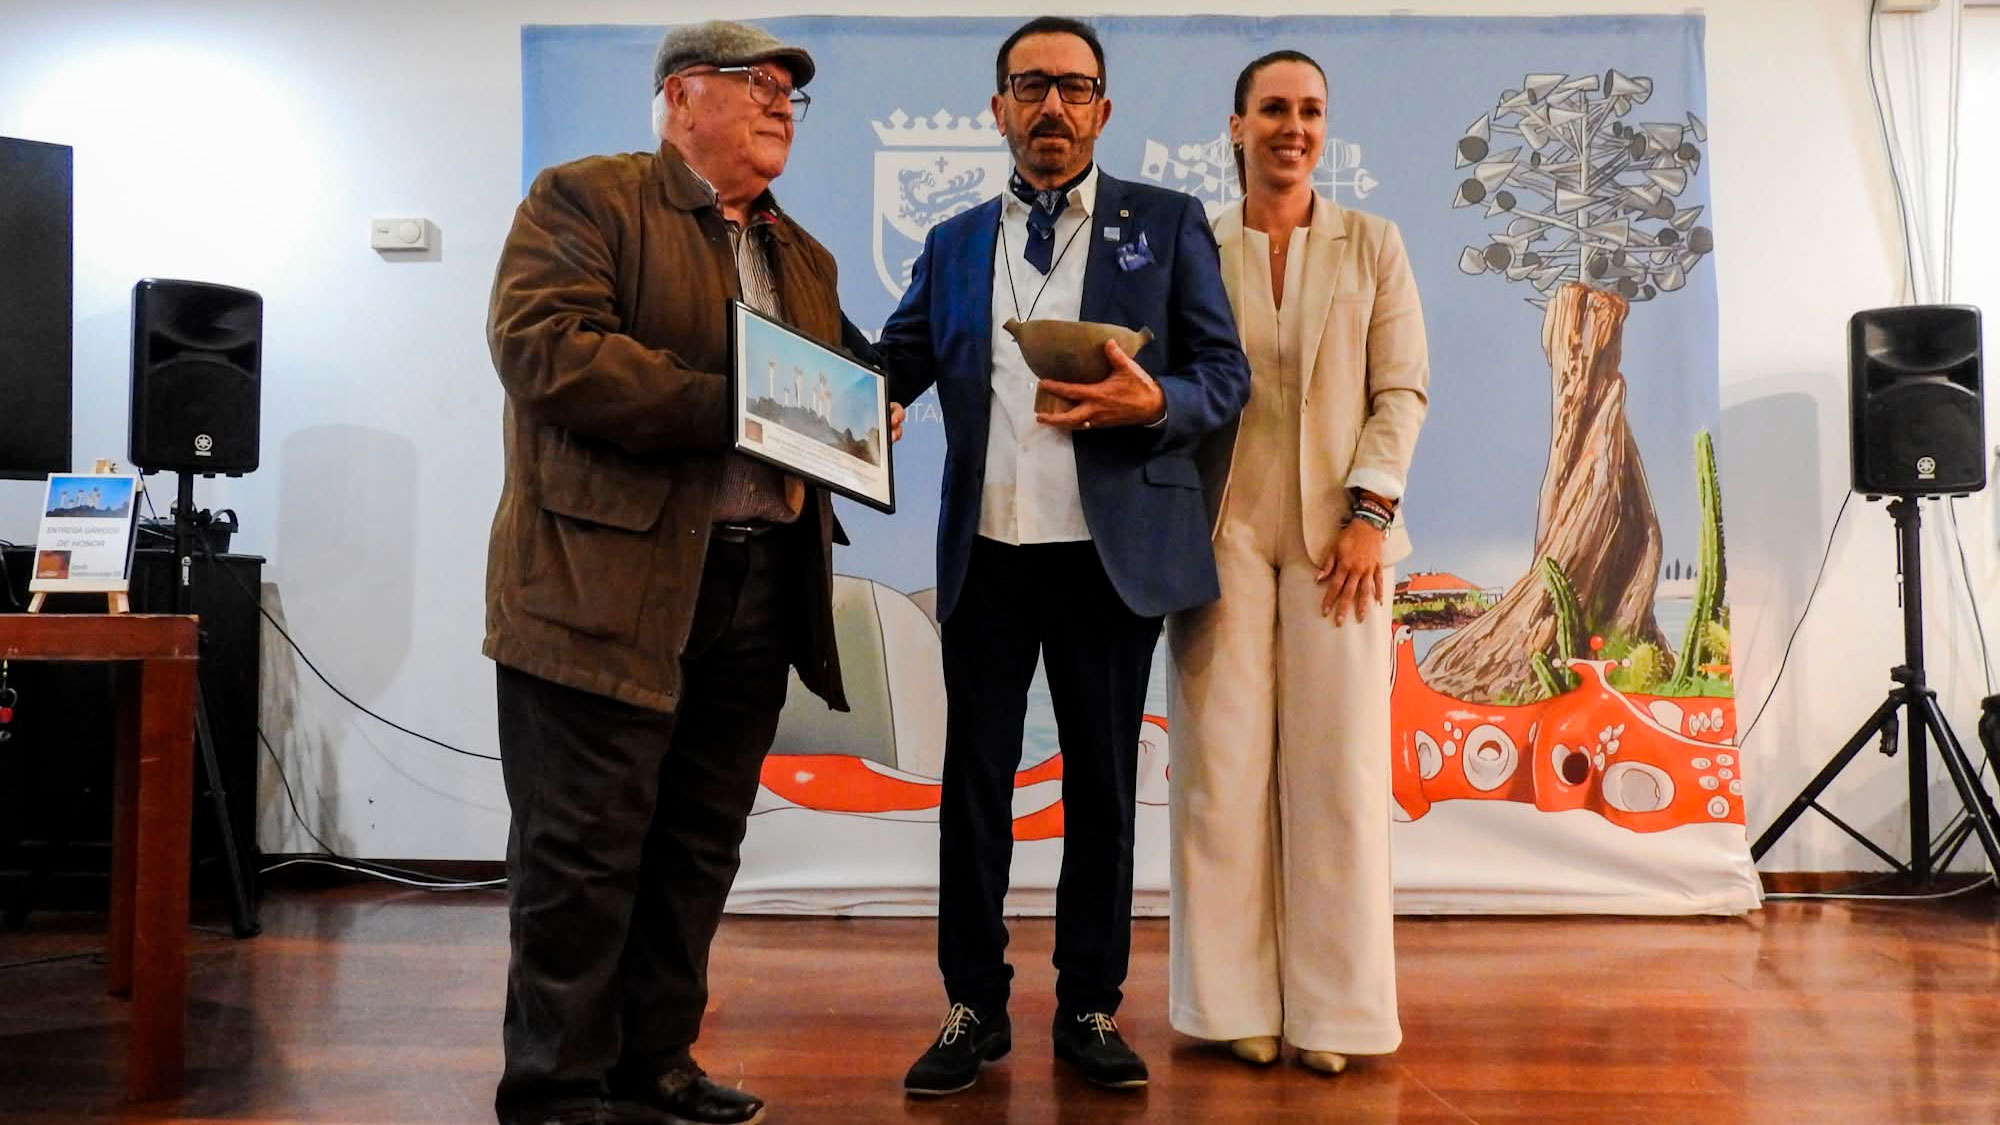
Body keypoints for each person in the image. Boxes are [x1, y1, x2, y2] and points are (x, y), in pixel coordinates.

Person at [484, 20, 899, 1125]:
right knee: (580, 850)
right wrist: (743, 406)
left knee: (698, 842)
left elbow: (828, 392)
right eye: (755, 85)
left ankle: (653, 1063)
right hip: (601, 587)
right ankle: (558, 1089)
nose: (779, 106)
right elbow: (548, 353)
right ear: (678, 99)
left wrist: (860, 419)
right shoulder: (584, 199)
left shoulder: (801, 256)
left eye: (790, 95)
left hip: (760, 586)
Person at [874, 15, 1250, 1097]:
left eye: (1073, 88)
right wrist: (855, 408)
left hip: (1105, 560)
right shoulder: (950, 243)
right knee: (974, 789)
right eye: (1029, 86)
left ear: (1102, 109)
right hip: (985, 556)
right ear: (995, 107)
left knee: (1099, 787)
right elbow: (895, 362)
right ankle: (969, 1008)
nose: (1051, 107)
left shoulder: (1165, 224)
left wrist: (1155, 400)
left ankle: (1087, 1004)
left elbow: (1222, 380)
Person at [1167, 49, 1430, 1076]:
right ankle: (1227, 1001)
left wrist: (1369, 511)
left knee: (1339, 779)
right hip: (1215, 540)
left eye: (1309, 110)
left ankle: (1338, 1016)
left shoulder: (1373, 243)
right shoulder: (1197, 244)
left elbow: (1399, 390)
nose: (1291, 126)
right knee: (1218, 778)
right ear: (1234, 127)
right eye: (1271, 109)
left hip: (1344, 550)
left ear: (1326, 128)